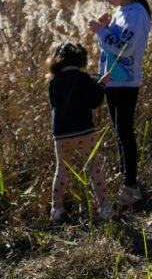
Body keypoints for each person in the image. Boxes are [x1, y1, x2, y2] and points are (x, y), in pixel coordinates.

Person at [89, 0, 152, 207]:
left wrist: (101, 31)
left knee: (124, 132)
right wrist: (106, 27)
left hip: (126, 81)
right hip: (113, 79)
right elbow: (112, 44)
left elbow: (124, 47)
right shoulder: (122, 11)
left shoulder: (136, 14)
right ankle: (126, 178)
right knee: (119, 131)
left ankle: (131, 186)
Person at [46, 42, 112, 221]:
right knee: (94, 169)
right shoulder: (82, 78)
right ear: (80, 58)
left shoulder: (53, 82)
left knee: (62, 170)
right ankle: (105, 208)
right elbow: (94, 101)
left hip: (61, 134)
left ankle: (57, 210)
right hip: (84, 131)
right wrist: (101, 85)